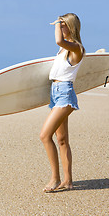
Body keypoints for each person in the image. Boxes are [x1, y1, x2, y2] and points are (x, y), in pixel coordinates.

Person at [40, 13, 85, 193]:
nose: (60, 28)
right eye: (60, 25)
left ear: (70, 27)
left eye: (63, 25)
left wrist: (56, 23)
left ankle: (55, 178)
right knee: (62, 139)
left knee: (44, 136)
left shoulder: (76, 48)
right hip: (56, 93)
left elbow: (58, 40)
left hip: (65, 95)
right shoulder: (63, 50)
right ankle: (68, 181)